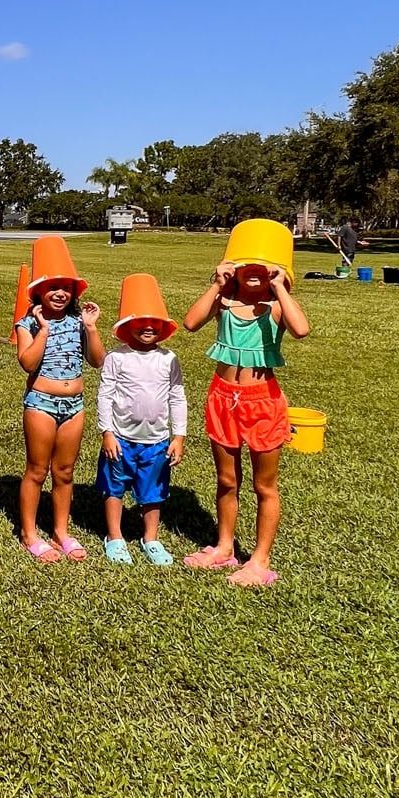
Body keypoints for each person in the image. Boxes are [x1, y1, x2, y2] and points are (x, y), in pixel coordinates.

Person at [182, 218, 309, 588]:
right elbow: (190, 323)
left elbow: (301, 330)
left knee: (264, 485)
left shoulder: (277, 308)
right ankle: (224, 547)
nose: (252, 274)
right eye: (245, 267)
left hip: (262, 400)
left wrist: (280, 286)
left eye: (262, 268)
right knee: (226, 480)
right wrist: (217, 283)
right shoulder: (223, 302)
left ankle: (260, 559)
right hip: (222, 396)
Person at [14, 234, 105, 563]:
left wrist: (92, 329)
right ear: (38, 291)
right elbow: (27, 362)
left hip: (74, 405)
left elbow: (97, 361)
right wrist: (43, 329)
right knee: (37, 470)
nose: (60, 293)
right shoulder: (27, 323)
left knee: (65, 471)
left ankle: (61, 531)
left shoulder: (80, 322)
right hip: (41, 403)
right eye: (52, 287)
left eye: (66, 288)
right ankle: (29, 534)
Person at [97, 273, 187, 567]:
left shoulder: (168, 358)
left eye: (154, 323)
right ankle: (115, 536)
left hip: (156, 442)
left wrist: (179, 436)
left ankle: (151, 538)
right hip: (120, 439)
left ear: (163, 328)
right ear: (127, 326)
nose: (148, 327)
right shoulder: (116, 358)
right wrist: (107, 432)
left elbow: (177, 397)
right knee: (114, 489)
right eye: (140, 322)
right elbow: (105, 395)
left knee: (153, 493)